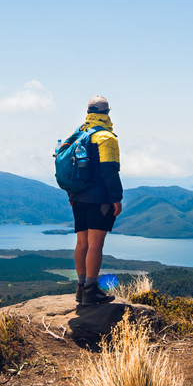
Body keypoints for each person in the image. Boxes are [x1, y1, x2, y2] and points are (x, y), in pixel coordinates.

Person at [70, 95, 123, 305]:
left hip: (77, 196)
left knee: (81, 242)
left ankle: (80, 287)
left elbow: (69, 168)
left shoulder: (78, 134)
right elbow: (109, 170)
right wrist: (116, 198)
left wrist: (71, 194)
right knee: (95, 244)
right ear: (107, 113)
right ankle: (91, 290)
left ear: (89, 112)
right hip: (99, 198)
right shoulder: (106, 137)